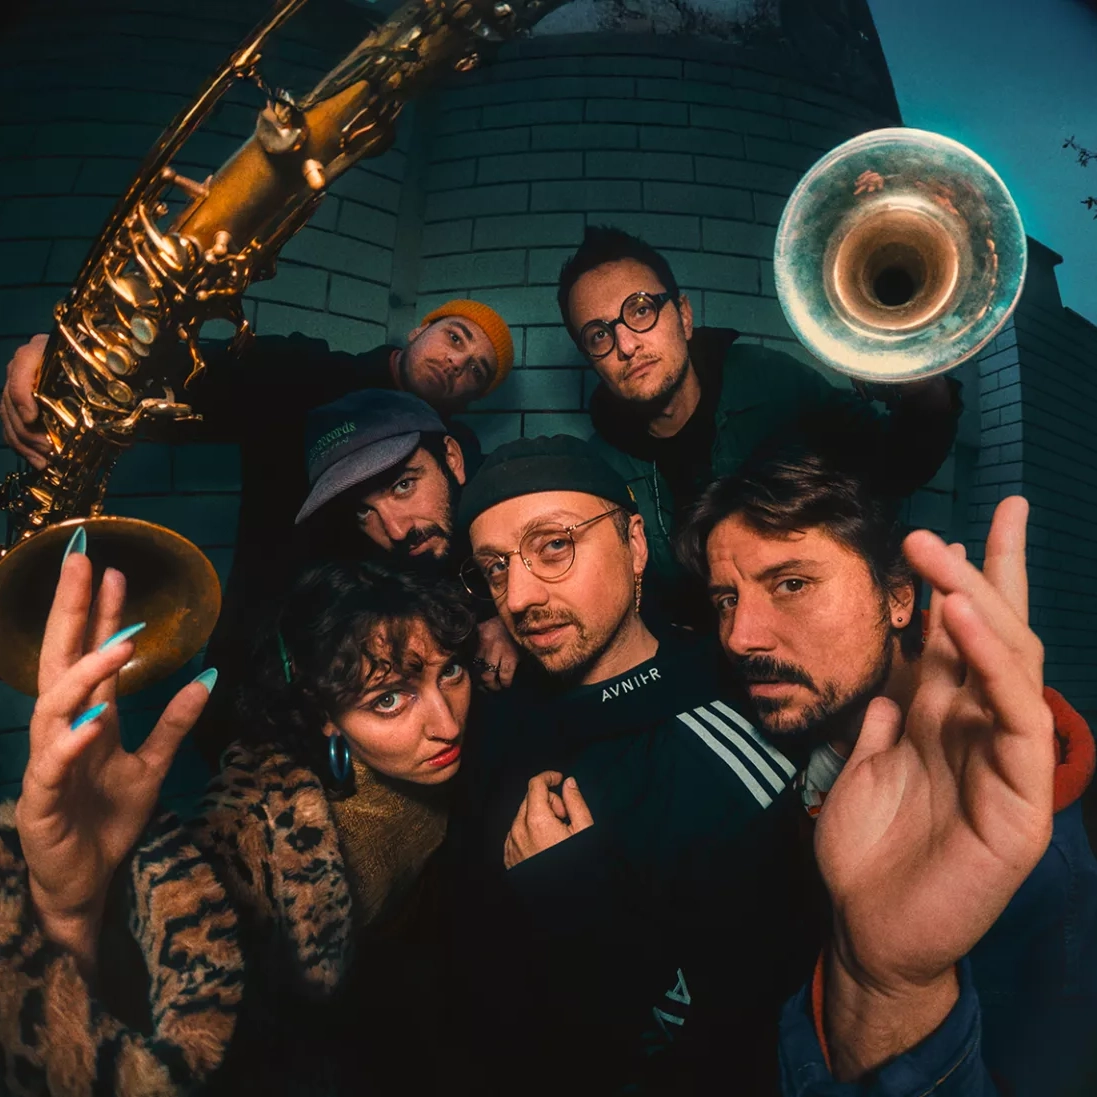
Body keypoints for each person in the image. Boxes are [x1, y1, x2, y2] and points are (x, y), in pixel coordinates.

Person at [675, 445, 1097, 1096]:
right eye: (726, 598)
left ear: (898, 597)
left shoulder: (1033, 859)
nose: (740, 636)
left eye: (791, 584)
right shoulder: (784, 728)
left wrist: (895, 988)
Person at [0, 525, 479, 1096]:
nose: (447, 725)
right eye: (389, 699)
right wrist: (71, 913)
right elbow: (160, 1040)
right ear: (323, 715)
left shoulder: (461, 754)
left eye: (451, 671)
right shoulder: (260, 833)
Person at [445, 434, 800, 1095]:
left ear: (634, 543)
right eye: (494, 567)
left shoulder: (727, 740)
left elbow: (723, 1038)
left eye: (554, 545)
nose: (517, 597)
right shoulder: (487, 714)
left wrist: (574, 901)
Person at [556, 225, 962, 623]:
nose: (627, 345)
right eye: (598, 335)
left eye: (641, 309)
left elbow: (897, 467)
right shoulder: (602, 468)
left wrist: (926, 390)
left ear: (683, 315)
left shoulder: (771, 380)